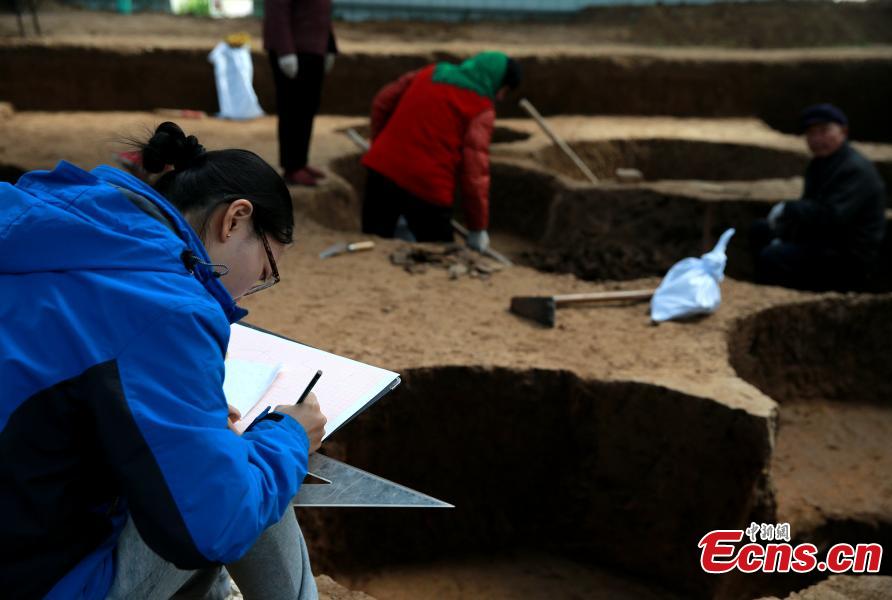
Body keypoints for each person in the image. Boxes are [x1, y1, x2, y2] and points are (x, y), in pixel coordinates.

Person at [0, 122, 327, 600]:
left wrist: (194, 419)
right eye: (264, 269)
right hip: (40, 581)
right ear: (235, 219)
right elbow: (214, 525)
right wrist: (290, 436)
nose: (250, 291)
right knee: (253, 471)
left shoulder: (45, 232)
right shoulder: (166, 304)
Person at [360, 51, 523, 252]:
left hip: (381, 173)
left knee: (373, 242)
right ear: (499, 84)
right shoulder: (480, 108)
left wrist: (380, 146)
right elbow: (475, 174)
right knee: (441, 253)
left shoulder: (431, 72)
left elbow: (382, 101)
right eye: (504, 91)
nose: (499, 97)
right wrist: (477, 228)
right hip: (428, 188)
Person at [751, 103, 886, 291]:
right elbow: (814, 207)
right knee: (760, 230)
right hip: (824, 240)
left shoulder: (854, 169)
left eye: (824, 131)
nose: (817, 139)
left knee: (773, 256)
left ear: (843, 131)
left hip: (847, 254)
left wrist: (789, 209)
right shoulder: (821, 163)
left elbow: (832, 216)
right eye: (811, 133)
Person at [264, 0, 337, 187]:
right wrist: (285, 51)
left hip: (314, 51)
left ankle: (300, 161)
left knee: (308, 107)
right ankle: (291, 167)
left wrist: (330, 45)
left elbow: (323, 12)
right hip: (293, 52)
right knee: (292, 108)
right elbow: (277, 12)